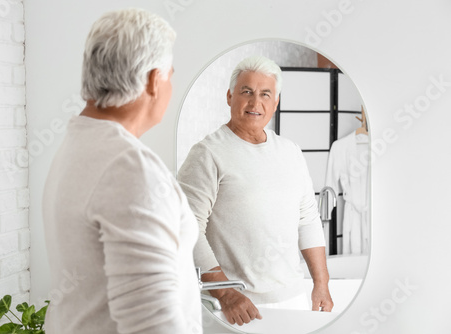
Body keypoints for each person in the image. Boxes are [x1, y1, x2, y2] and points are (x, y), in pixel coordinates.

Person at [42, 9, 201, 334]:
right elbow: (152, 323)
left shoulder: (78, 142)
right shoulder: (130, 168)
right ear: (155, 81)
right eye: (171, 74)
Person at [177, 55, 334, 326]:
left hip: (294, 299)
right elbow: (186, 228)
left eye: (265, 94)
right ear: (229, 96)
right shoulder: (207, 154)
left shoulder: (291, 152)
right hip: (235, 307)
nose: (255, 103)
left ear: (276, 102)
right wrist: (226, 294)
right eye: (246, 92)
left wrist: (321, 283)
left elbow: (308, 219)